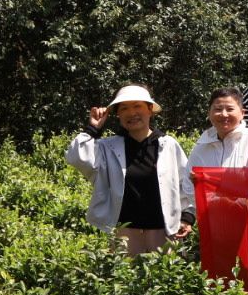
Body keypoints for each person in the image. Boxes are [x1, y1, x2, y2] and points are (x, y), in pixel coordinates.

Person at [66, 84, 192, 256]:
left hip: (164, 231)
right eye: (124, 108)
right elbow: (76, 158)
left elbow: (185, 184)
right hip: (124, 233)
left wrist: (186, 217)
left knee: (164, 272)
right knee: (125, 272)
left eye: (137, 106)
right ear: (118, 114)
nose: (131, 113)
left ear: (150, 109)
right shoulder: (108, 147)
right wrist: (93, 129)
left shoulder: (168, 144)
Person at [182, 86, 248, 209]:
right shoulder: (201, 147)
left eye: (230, 109)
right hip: (214, 215)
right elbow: (188, 187)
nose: (224, 114)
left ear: (242, 113)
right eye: (218, 109)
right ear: (209, 113)